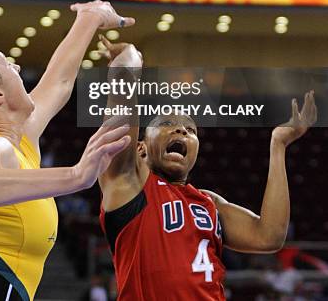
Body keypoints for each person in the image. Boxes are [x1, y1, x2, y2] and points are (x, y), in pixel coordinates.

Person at [0, 0, 135, 301]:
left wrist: (91, 19)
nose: (17, 66)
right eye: (7, 63)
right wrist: (76, 175)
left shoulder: (19, 140)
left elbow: (60, 82)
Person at [97, 38, 317, 301]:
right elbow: (119, 125)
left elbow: (269, 236)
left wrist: (278, 145)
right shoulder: (128, 186)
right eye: (167, 123)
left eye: (190, 129)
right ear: (141, 148)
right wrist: (127, 65)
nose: (181, 130)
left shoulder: (209, 202)